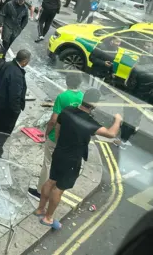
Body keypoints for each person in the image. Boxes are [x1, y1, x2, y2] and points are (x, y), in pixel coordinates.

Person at [34, 89, 122, 229]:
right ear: (94, 105)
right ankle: (48, 218)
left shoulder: (67, 110)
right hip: (72, 159)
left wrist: (60, 145)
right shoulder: (89, 122)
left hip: (59, 151)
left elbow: (57, 129)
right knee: (59, 188)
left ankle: (40, 210)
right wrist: (118, 120)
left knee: (51, 180)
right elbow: (111, 134)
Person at [28, 74, 84, 200]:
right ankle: (54, 189)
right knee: (61, 164)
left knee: (48, 163)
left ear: (67, 81)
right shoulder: (82, 97)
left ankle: (40, 192)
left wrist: (47, 132)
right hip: (70, 139)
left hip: (56, 137)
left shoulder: (62, 97)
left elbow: (54, 120)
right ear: (79, 84)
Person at [0, 49, 31, 159]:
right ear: (24, 61)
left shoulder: (6, 65)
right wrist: (16, 110)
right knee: (4, 130)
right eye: (28, 61)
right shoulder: (17, 74)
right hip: (9, 108)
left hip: (0, 103)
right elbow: (15, 95)